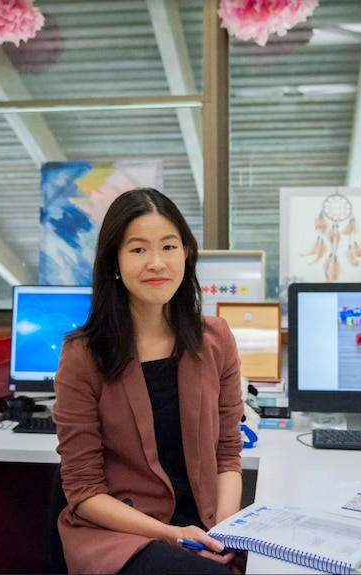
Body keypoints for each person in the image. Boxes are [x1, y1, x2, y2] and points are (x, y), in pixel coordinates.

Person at [52, 187, 246, 574]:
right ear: (116, 262)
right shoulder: (83, 355)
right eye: (138, 249)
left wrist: (224, 531)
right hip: (124, 534)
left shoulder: (215, 339)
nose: (156, 263)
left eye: (169, 247)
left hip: (208, 525)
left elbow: (228, 455)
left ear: (186, 253)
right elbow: (84, 491)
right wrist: (171, 535)